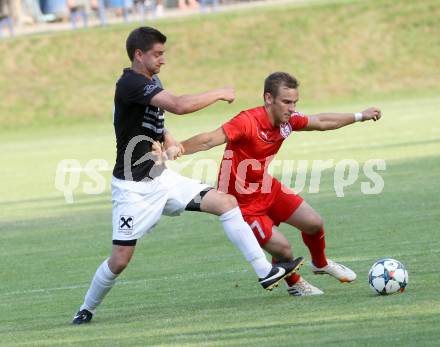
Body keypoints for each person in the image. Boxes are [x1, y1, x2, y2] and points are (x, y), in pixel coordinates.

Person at [72, 29, 303, 324]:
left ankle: (263, 271)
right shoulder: (130, 82)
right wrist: (219, 93)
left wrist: (168, 138)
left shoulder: (151, 81)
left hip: (162, 179)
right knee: (120, 260)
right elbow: (179, 105)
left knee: (225, 203)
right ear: (139, 55)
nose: (163, 59)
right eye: (157, 54)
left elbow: (157, 120)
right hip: (133, 189)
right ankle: (86, 309)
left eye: (163, 53)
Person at [181, 72, 382, 296]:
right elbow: (209, 139)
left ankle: (321, 263)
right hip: (241, 205)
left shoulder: (287, 122)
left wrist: (359, 115)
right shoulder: (247, 121)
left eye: (295, 102)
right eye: (286, 102)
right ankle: (295, 284)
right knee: (284, 250)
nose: (291, 108)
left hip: (266, 188)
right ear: (269, 99)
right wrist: (176, 149)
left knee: (314, 223)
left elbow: (321, 121)